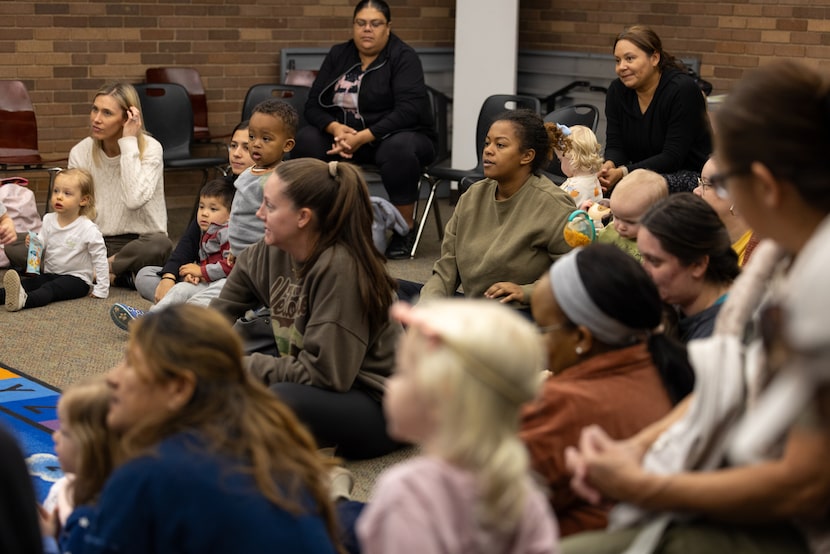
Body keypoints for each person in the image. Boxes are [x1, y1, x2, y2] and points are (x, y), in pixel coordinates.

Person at [561, 59, 830, 554]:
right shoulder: (781, 255)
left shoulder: (819, 282)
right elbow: (731, 381)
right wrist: (636, 449)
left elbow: (805, 485)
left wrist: (644, 485)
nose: (706, 188)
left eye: (723, 175)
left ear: (766, 187)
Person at [85, 304, 340, 553]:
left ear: (180, 388)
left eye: (131, 363)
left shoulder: (149, 471)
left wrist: (74, 513)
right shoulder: (263, 443)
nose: (112, 377)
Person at [210, 158, 402, 460]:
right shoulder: (265, 253)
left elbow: (326, 375)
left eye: (270, 207)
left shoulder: (341, 267)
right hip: (321, 383)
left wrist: (239, 367)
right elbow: (215, 317)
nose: (259, 214)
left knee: (278, 398)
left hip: (377, 403)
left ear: (303, 217)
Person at [356, 300, 559, 553]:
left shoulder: (407, 494)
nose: (393, 384)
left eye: (402, 372)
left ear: (441, 397)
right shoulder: (524, 495)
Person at [519, 244, 693, 538]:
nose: (537, 341)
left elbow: (481, 512)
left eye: (543, 328)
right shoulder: (669, 367)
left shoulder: (561, 406)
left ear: (582, 338)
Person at [292, 0, 436, 259]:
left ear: (388, 27)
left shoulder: (403, 57)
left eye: (375, 23)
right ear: (353, 26)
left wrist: (364, 137)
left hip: (400, 138)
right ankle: (319, 222)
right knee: (307, 139)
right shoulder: (339, 54)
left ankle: (404, 229)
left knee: (398, 149)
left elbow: (408, 111)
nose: (367, 29)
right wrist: (335, 128)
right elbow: (312, 104)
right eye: (361, 23)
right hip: (346, 139)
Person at [418, 109, 575, 312]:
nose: (488, 151)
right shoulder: (472, 196)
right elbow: (446, 269)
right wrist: (425, 310)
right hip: (476, 310)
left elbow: (575, 276)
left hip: (521, 314)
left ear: (527, 156)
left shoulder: (555, 206)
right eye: (487, 143)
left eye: (500, 145)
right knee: (385, 295)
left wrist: (527, 292)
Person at [52, 82, 172, 288]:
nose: (96, 119)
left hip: (138, 242)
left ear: (127, 118)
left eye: (107, 113)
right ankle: (117, 275)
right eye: (95, 109)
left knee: (161, 245)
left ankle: (98, 270)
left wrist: (128, 143)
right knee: (22, 245)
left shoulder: (151, 149)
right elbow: (74, 211)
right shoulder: (80, 151)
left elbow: (134, 200)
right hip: (94, 240)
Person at [133, 120, 255, 304]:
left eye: (246, 148)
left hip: (234, 281)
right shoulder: (222, 188)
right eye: (233, 146)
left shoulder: (262, 194)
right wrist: (169, 277)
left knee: (220, 290)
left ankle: (176, 313)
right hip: (204, 279)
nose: (236, 154)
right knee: (145, 275)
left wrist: (202, 273)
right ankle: (188, 309)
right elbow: (189, 242)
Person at [598, 25, 712, 194]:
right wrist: (610, 165)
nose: (621, 67)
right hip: (639, 174)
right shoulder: (617, 91)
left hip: (690, 177)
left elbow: (672, 157)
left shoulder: (682, 90)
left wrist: (623, 172)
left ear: (655, 58)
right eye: (617, 60)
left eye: (629, 59)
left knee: (639, 191)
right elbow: (616, 145)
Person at [109, 178, 234, 329]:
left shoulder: (228, 233)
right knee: (179, 288)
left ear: (231, 214)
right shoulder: (205, 231)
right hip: (206, 282)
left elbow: (230, 266)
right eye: (201, 207)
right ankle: (150, 319)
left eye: (213, 209)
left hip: (224, 283)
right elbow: (189, 253)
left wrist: (201, 271)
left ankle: (182, 320)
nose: (205, 213)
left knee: (214, 292)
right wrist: (192, 275)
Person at [2, 168, 109, 311]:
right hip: (50, 273)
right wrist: (34, 242)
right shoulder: (48, 219)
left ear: (83, 200)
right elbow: (42, 243)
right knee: (29, 283)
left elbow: (100, 259)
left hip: (77, 280)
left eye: (67, 193)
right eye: (56, 191)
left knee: (50, 288)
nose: (59, 197)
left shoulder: (88, 229)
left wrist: (101, 289)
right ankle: (4, 294)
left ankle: (24, 301)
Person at [638, 192, 739, 342]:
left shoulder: (720, 339)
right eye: (643, 258)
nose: (643, 269)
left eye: (654, 261)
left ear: (698, 264)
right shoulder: (684, 306)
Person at [40, 377, 119, 553]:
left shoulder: (100, 520)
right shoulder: (62, 488)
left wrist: (46, 541)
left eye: (65, 432)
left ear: (91, 445)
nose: (55, 436)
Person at [694, 157, 759, 267]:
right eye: (699, 182)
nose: (696, 191)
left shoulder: (763, 251)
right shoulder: (697, 234)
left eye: (706, 184)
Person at [595, 168, 667, 261]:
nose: (620, 226)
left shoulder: (654, 248)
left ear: (655, 219)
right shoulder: (610, 231)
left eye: (630, 222)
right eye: (616, 217)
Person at [555, 124, 604, 207]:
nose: (560, 163)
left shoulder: (573, 187)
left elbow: (557, 208)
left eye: (560, 160)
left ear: (572, 159)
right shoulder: (594, 179)